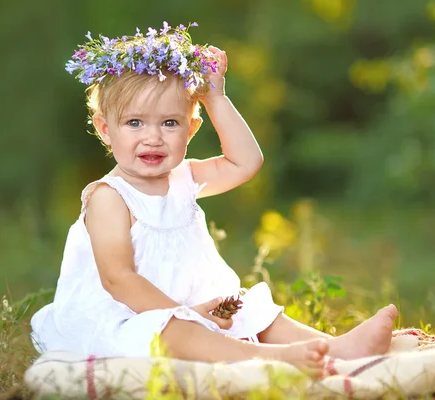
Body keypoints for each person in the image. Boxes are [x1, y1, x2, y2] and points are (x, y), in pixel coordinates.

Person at [30, 22, 398, 376]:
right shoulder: (110, 198)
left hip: (192, 308)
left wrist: (214, 97)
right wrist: (187, 316)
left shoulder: (185, 176)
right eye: (135, 123)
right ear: (105, 129)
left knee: (249, 308)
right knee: (171, 330)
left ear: (191, 128)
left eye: (170, 123)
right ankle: (267, 358)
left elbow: (246, 162)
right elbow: (119, 280)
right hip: (125, 315)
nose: (153, 137)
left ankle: (336, 349)